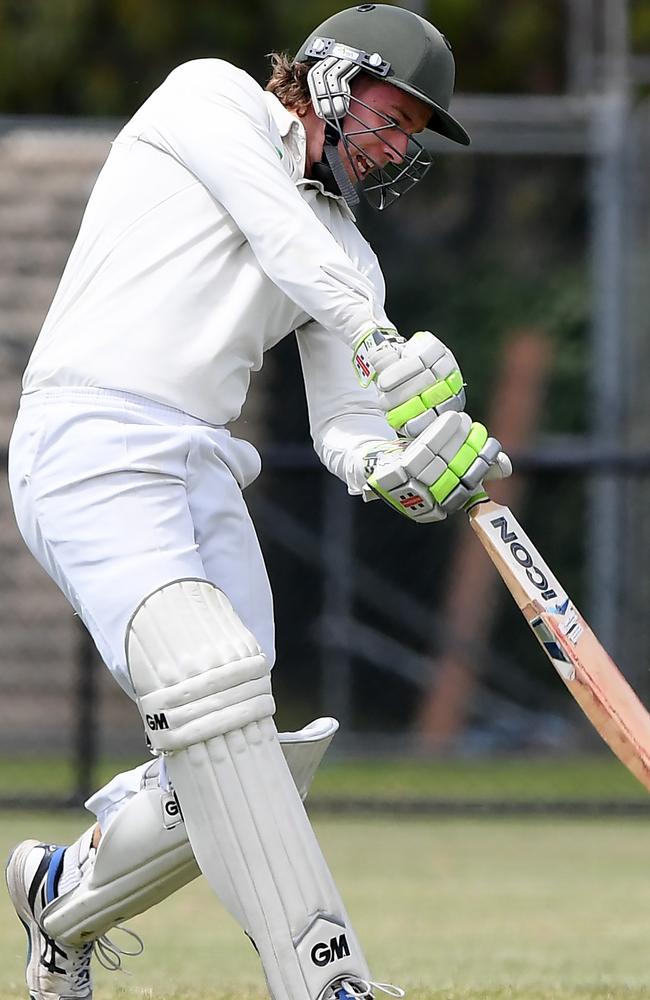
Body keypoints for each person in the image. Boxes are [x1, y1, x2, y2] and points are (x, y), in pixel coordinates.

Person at [6, 5, 511, 1000]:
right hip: (89, 442)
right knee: (215, 686)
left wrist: (394, 468)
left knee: (235, 769)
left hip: (202, 469)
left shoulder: (347, 254)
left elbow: (342, 424)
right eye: (392, 113)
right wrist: (378, 340)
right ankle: (330, 984)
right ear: (328, 76)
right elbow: (279, 235)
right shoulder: (210, 100)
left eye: (413, 132)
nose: (396, 144)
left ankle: (57, 899)